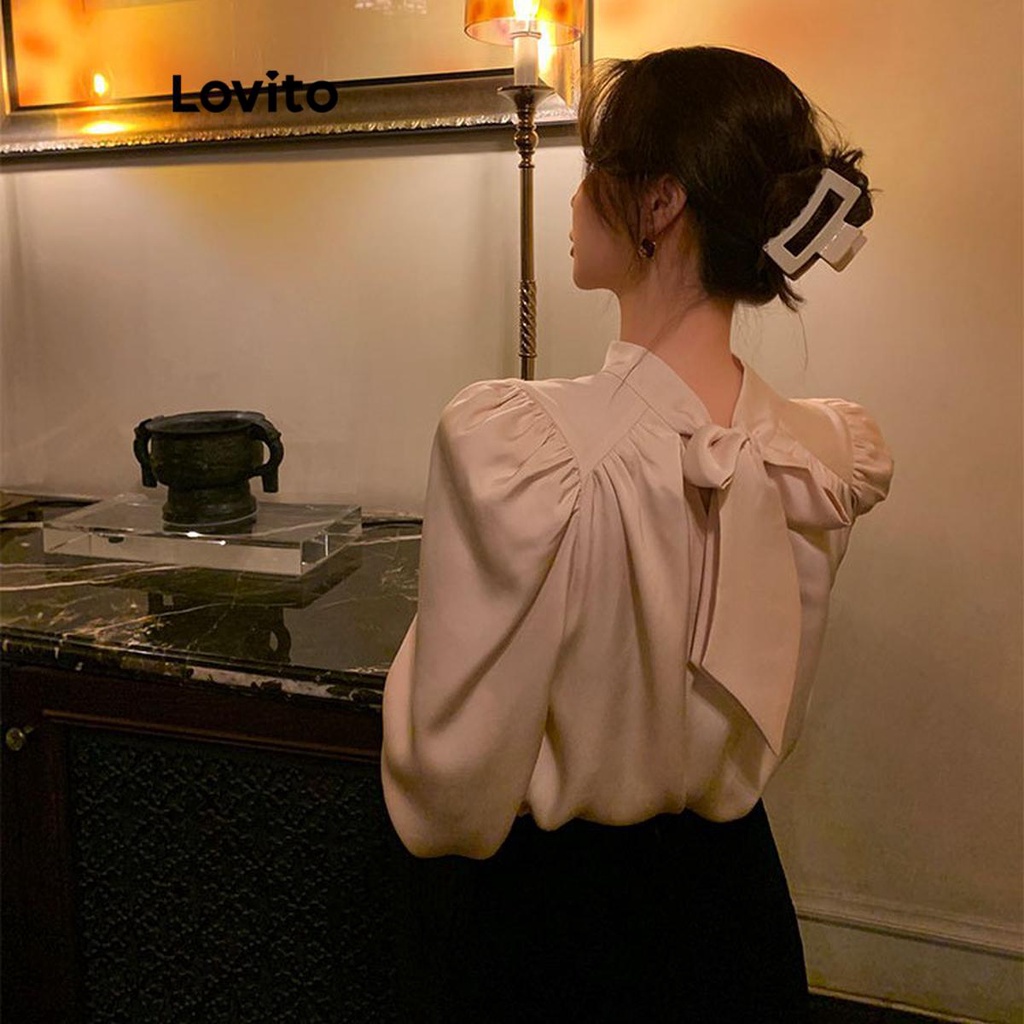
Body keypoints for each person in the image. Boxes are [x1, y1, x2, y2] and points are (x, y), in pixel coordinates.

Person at [381, 46, 895, 1022]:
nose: (576, 201)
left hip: (552, 929)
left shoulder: (522, 450)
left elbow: (451, 779)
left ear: (658, 203)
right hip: (737, 914)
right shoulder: (824, 454)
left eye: (595, 172)